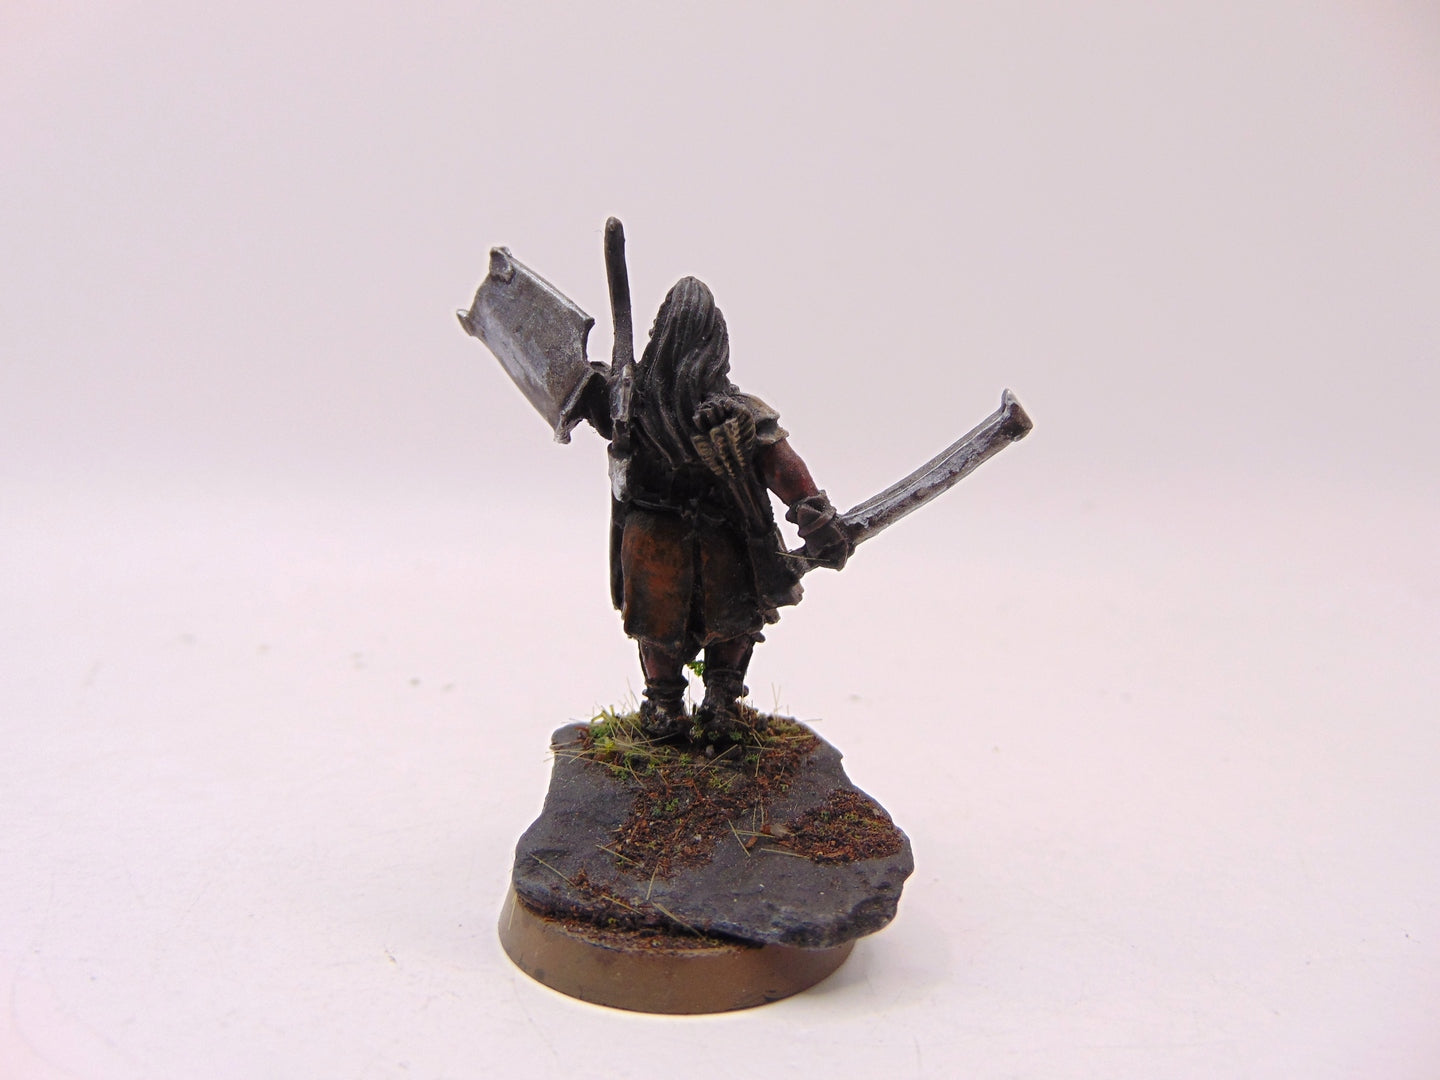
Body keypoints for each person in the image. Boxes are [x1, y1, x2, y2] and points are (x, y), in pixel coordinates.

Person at [593, 276, 851, 742]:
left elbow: (782, 467)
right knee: (683, 622)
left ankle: (702, 704)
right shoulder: (629, 405)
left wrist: (815, 515)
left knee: (715, 619)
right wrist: (815, 516)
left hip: (695, 535)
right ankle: (687, 704)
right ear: (718, 344)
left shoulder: (721, 414)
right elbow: (784, 469)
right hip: (689, 534)